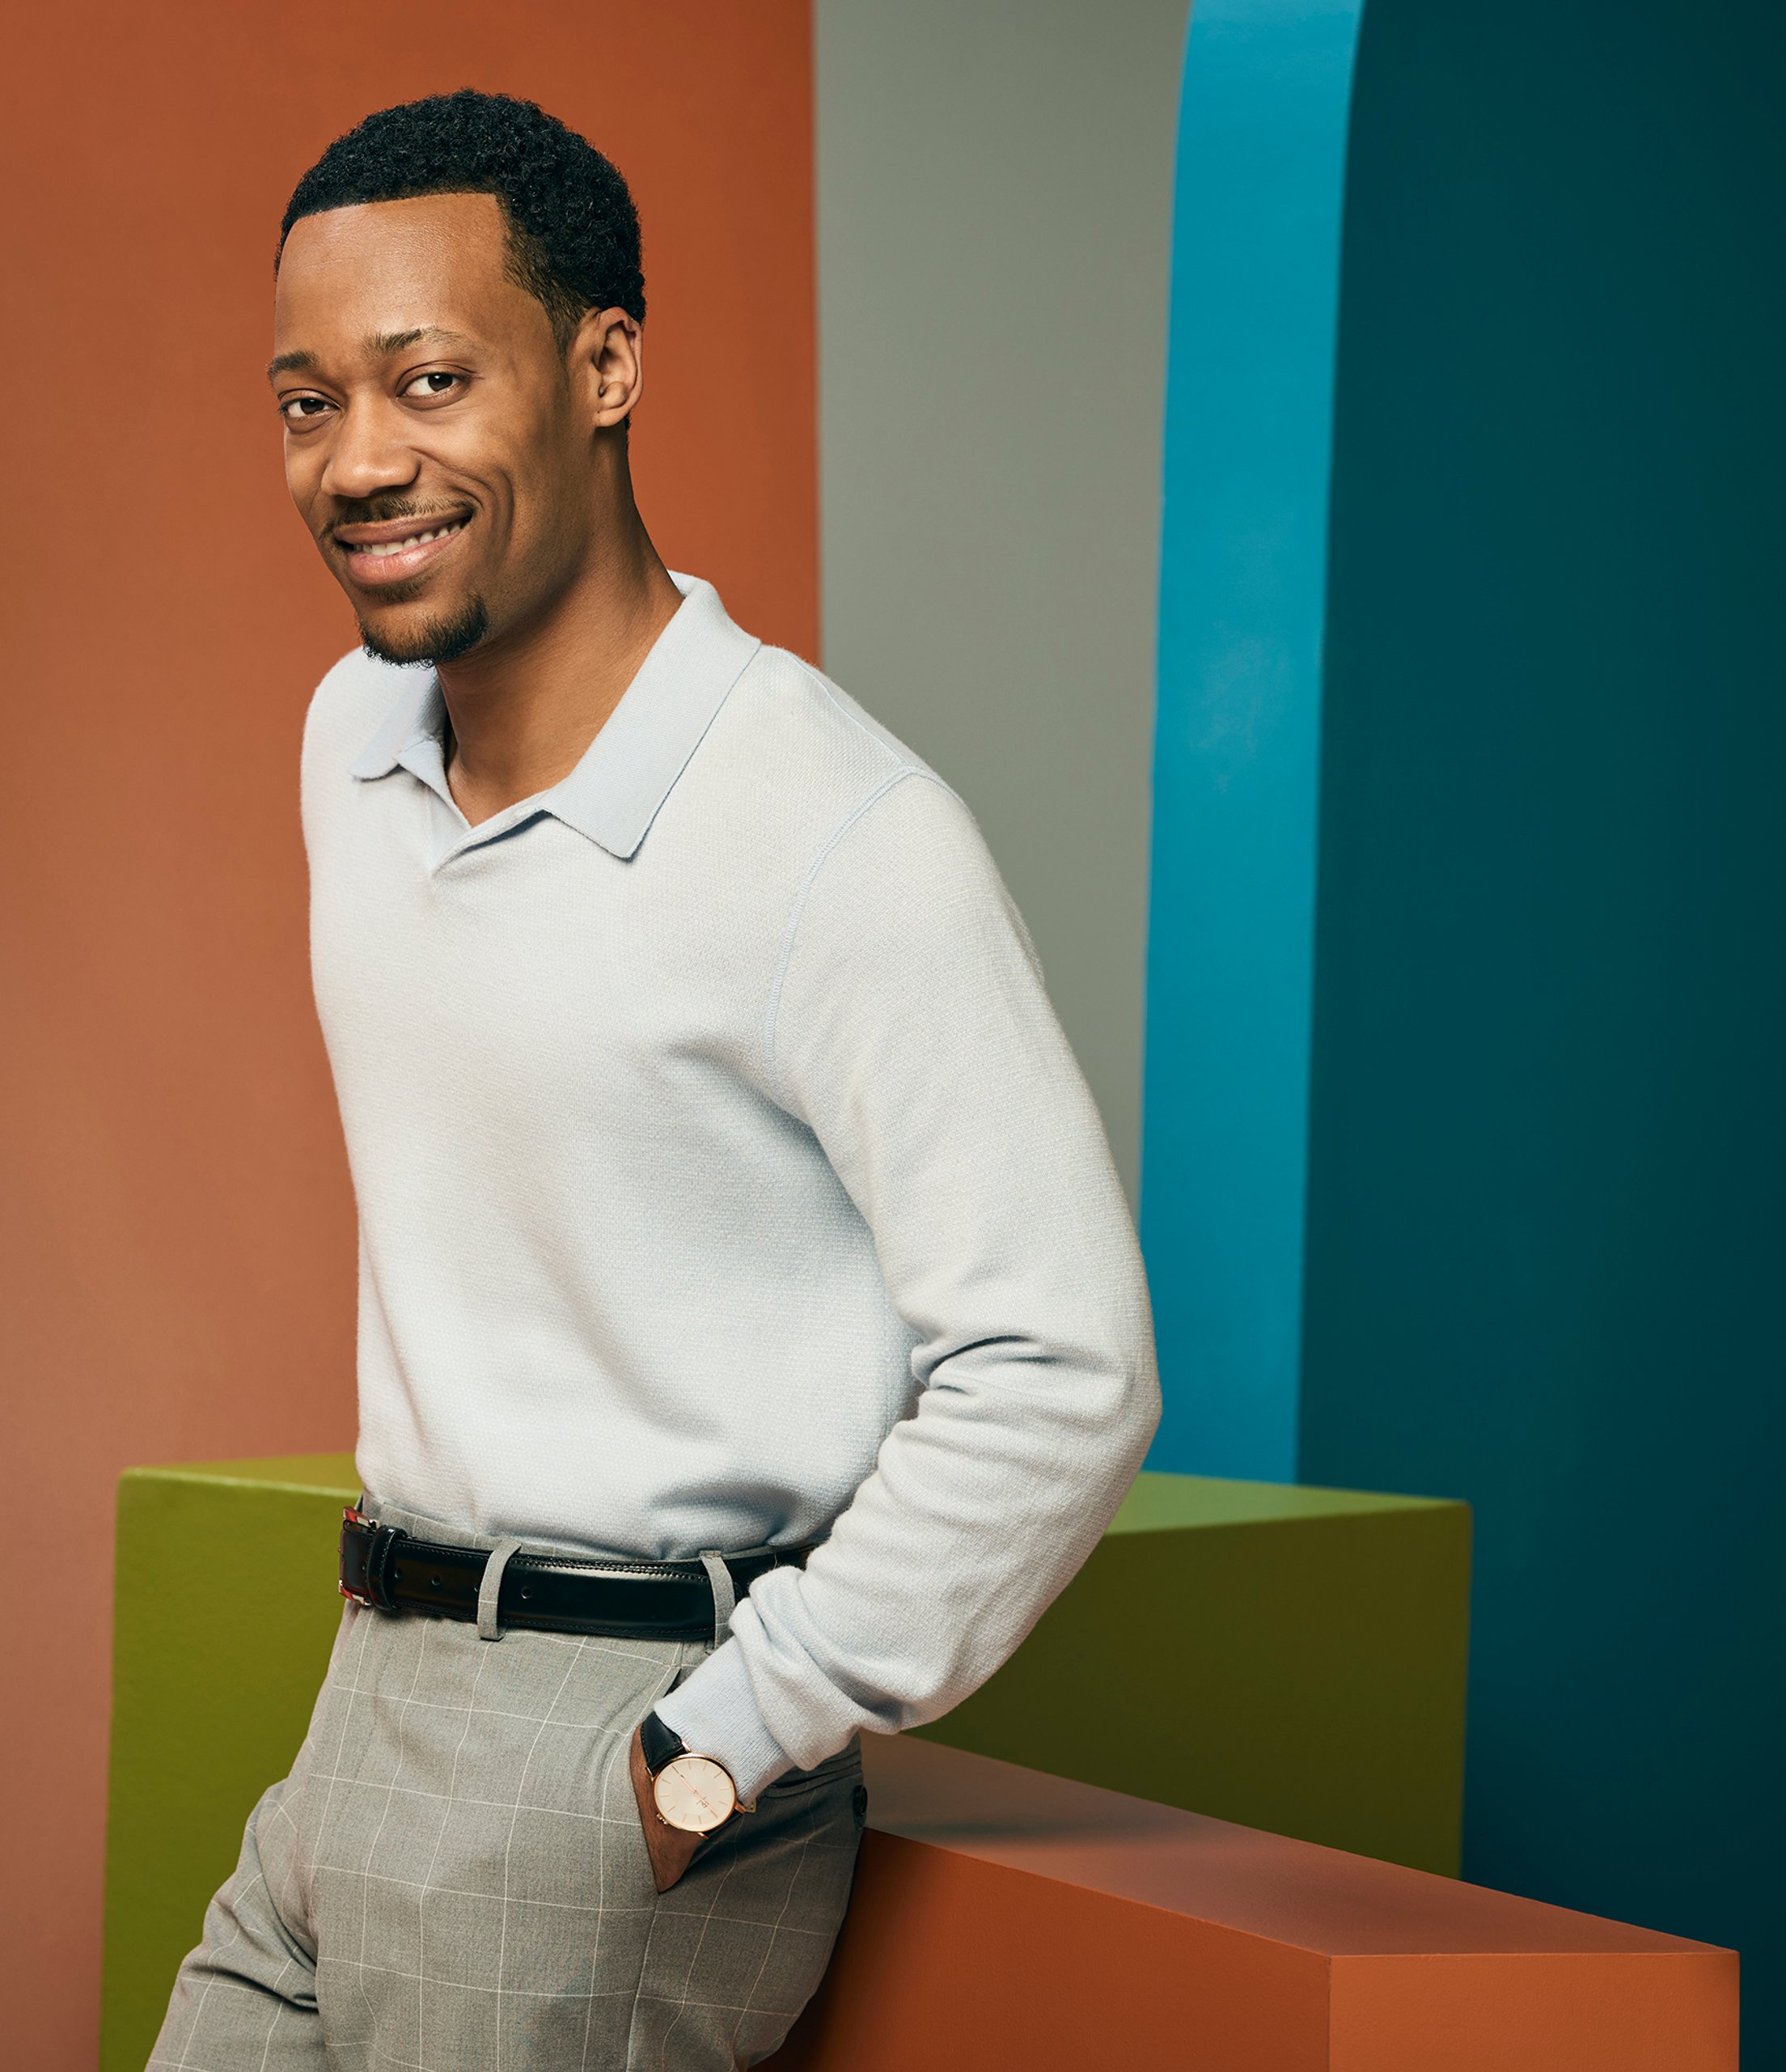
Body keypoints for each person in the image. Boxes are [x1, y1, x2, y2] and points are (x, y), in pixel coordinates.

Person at [147, 91, 1159, 2070]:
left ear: (606, 364)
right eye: (305, 402)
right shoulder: (351, 744)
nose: (363, 463)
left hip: (624, 1740)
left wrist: (724, 1747)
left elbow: (1064, 1367)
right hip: (370, 1691)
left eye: (430, 381)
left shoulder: (837, 836)